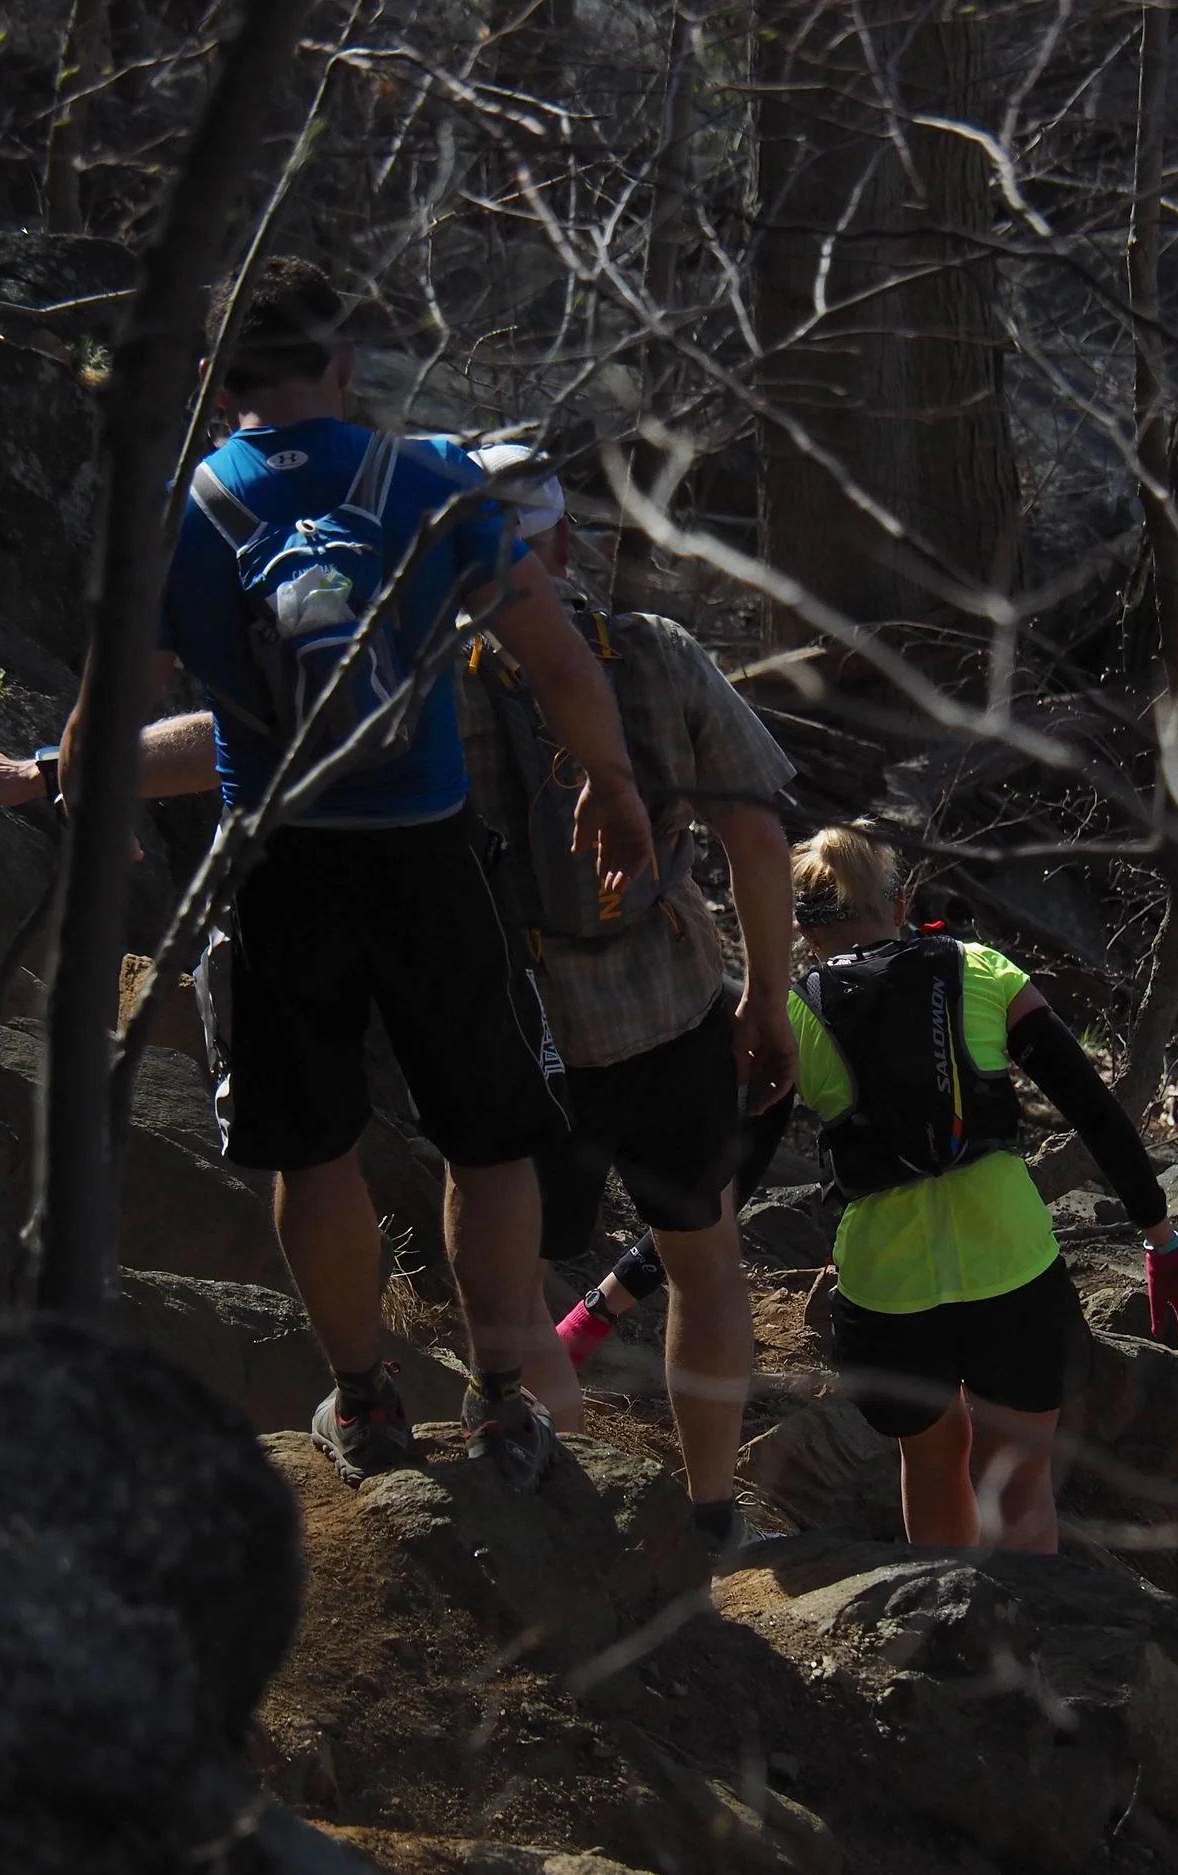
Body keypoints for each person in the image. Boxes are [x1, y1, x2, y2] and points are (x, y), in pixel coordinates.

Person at [0, 258, 654, 1494]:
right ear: (344, 366)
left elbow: (113, 706)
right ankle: (503, 1405)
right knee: (485, 1143)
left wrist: (80, 797)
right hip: (430, 854)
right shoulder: (430, 482)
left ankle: (364, 1404)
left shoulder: (177, 513)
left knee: (313, 1151)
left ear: (214, 381)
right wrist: (612, 788)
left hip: (276, 862)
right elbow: (561, 663)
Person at [452, 445, 798, 1552]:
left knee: (515, 1287)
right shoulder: (653, 652)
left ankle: (566, 1529)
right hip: (673, 1010)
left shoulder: (427, 682)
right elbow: (757, 836)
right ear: (561, 543)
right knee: (703, 1263)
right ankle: (710, 1516)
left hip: (520, 1028)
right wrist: (767, 999)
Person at [783, 827, 1178, 1552]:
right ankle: (1028, 1622)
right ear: (900, 903)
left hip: (888, 1288)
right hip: (1012, 1267)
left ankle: (947, 1613)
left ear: (805, 930)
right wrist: (1161, 1238)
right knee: (1018, 1481)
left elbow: (724, 1167)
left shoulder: (792, 1014)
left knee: (930, 1463)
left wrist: (614, 1294)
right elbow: (1093, 1107)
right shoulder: (981, 967)